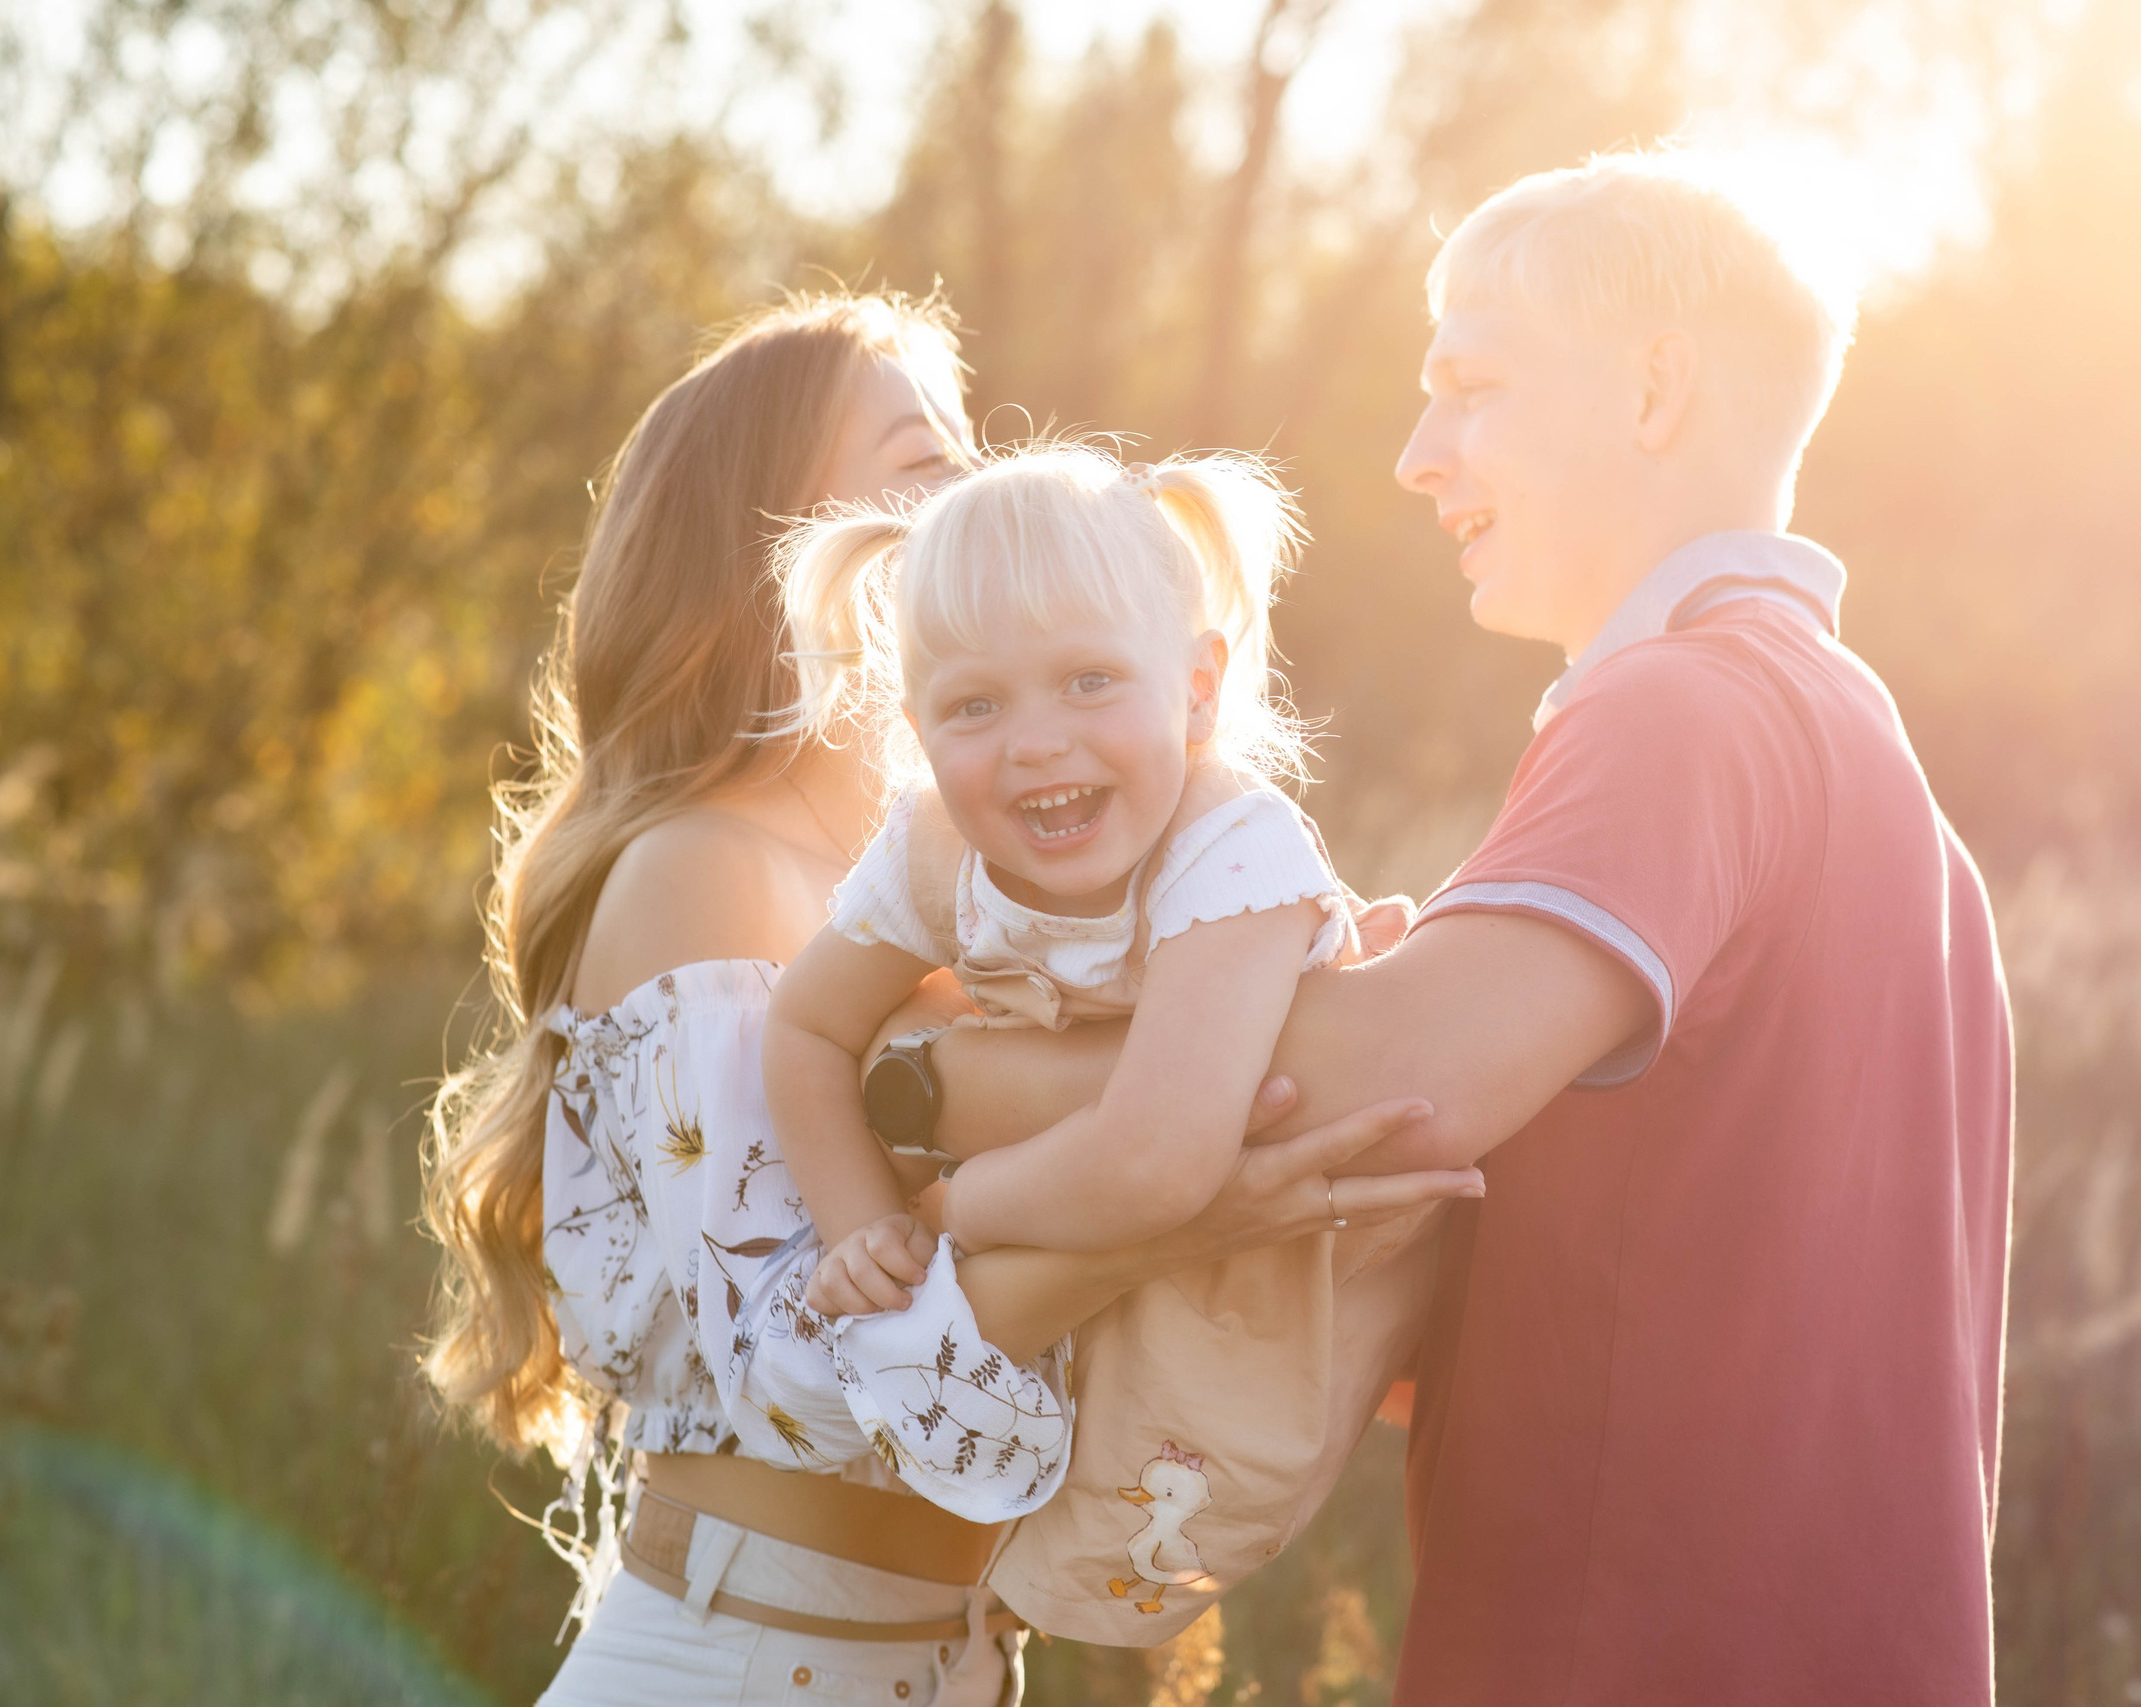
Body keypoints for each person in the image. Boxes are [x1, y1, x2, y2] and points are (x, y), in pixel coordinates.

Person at [923, 153, 2015, 1705]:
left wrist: (912, 1068)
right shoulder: (1867, 757)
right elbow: (1591, 1283)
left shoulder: (1682, 707)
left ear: (1655, 390)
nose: (1418, 456)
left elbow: (1363, 1095)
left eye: (1473, 384)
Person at [419, 292, 1475, 1706]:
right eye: (924, 464)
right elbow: (799, 1373)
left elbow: (1067, 1225)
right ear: (776, 548)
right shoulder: (705, 867)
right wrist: (1171, 1205)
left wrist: (1269, 1005)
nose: (974, 496)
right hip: (744, 1658)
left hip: (945, 1661)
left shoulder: (984, 884)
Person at [763, 442, 1438, 1641]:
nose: (1034, 743)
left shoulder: (1232, 845)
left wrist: (935, 1224)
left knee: (1160, 1514)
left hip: (1269, 1255)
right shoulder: (933, 851)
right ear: (917, 730)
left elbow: (1161, 1161)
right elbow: (808, 1025)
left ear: (1194, 689)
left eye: (1087, 682)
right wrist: (856, 1220)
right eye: (975, 705)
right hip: (1077, 1242)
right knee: (971, 1510)